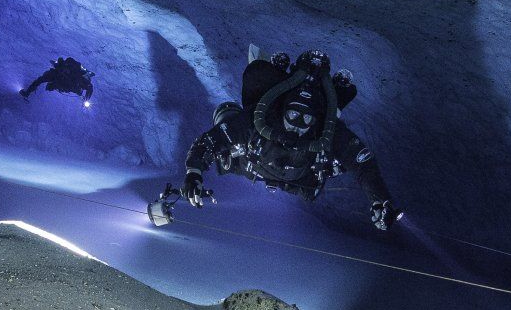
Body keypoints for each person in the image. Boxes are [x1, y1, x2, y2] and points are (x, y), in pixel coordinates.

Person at [149, 50, 402, 230]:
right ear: (282, 109)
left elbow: (363, 163)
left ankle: (285, 74)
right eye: (293, 115)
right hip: (255, 164)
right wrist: (194, 173)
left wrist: (380, 200)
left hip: (302, 178)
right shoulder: (258, 119)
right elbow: (209, 141)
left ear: (317, 120)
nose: (297, 125)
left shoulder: (329, 131)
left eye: (306, 119)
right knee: (225, 118)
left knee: (337, 162)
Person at [20, 56, 94, 104]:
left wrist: (86, 100)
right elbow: (89, 87)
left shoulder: (78, 80)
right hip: (59, 77)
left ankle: (27, 93)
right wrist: (86, 100)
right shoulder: (60, 71)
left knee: (41, 80)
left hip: (63, 80)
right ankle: (27, 93)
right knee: (41, 79)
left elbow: (89, 88)